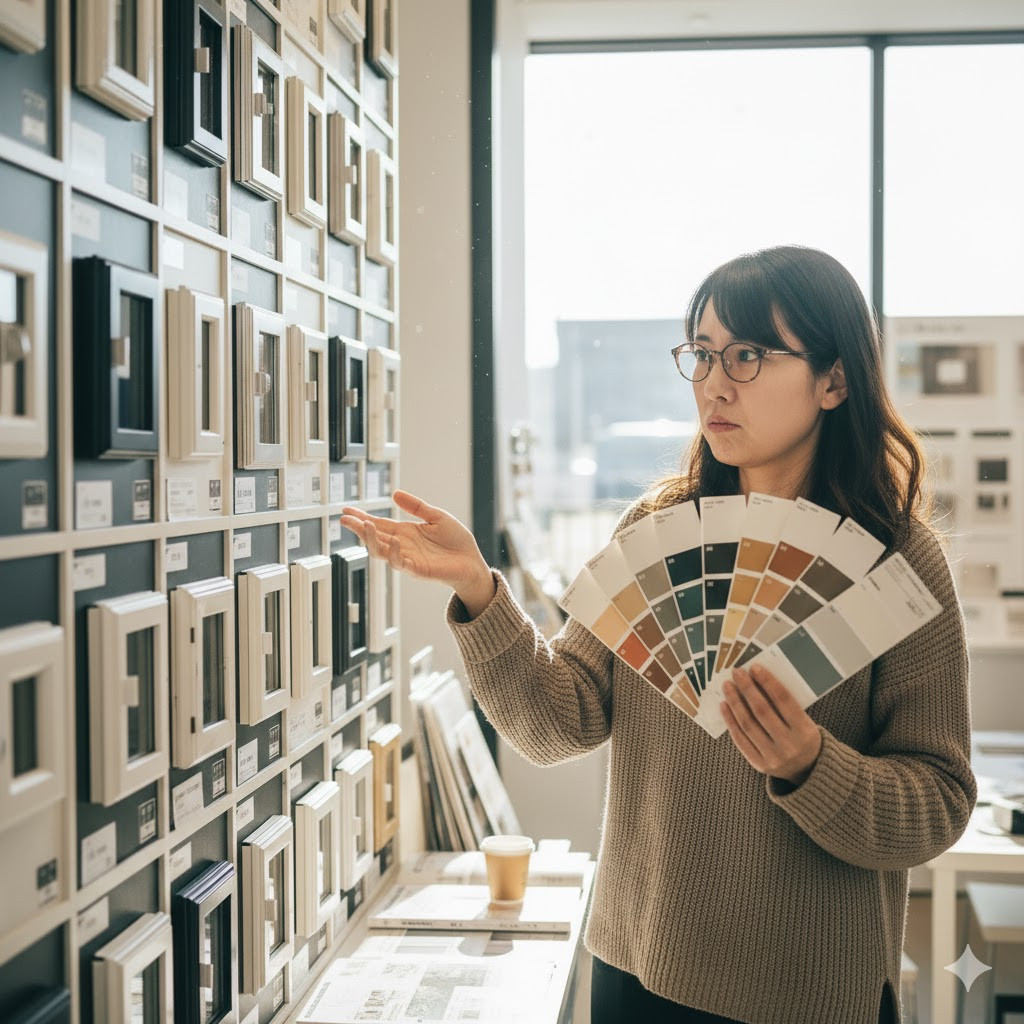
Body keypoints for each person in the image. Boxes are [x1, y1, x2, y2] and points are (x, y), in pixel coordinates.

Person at [340, 245, 977, 1024]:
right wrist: (478, 589)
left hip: (808, 996)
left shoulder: (897, 560)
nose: (715, 383)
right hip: (638, 968)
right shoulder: (655, 528)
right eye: (702, 354)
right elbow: (557, 723)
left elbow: (939, 802)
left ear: (834, 381)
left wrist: (810, 764)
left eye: (747, 355)